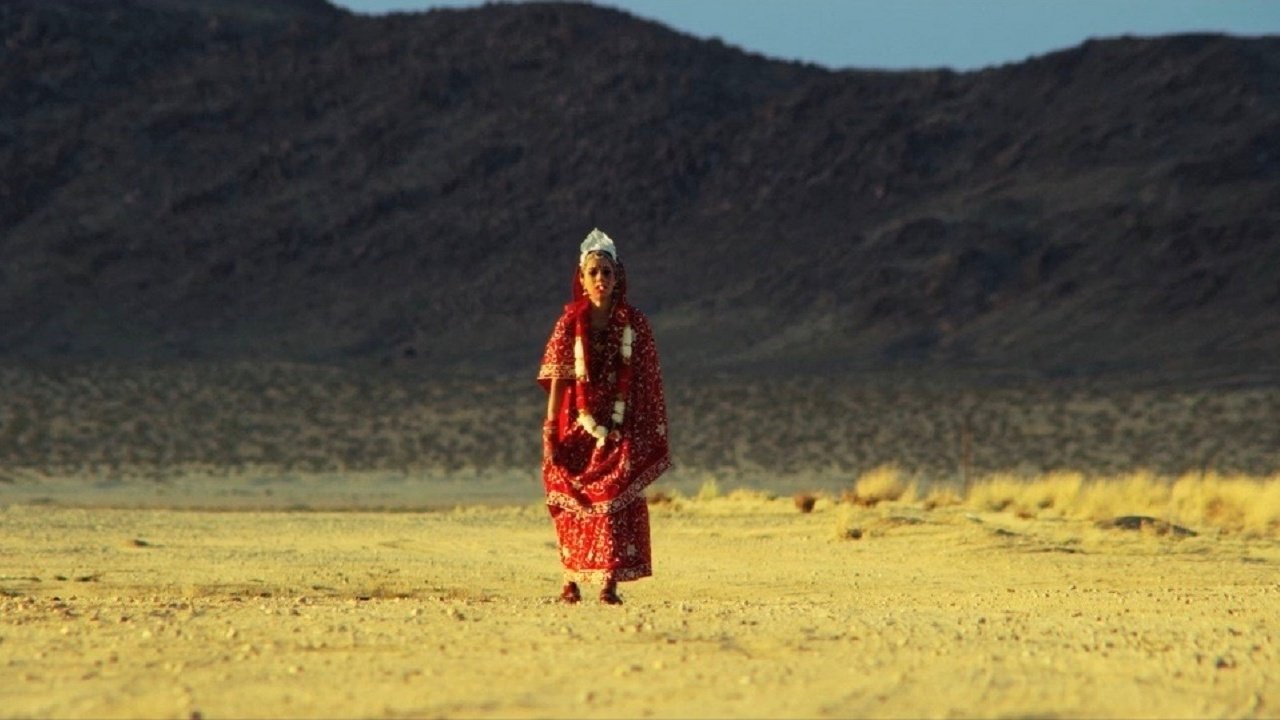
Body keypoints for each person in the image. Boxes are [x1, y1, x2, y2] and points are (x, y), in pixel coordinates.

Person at [537, 228, 671, 605]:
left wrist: (632, 426)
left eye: (607, 272)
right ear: (581, 279)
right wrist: (550, 430)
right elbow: (560, 378)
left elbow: (646, 378)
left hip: (619, 426)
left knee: (611, 499)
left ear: (618, 277)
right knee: (571, 500)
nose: (601, 279)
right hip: (575, 424)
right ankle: (570, 577)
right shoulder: (568, 324)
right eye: (593, 272)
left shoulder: (635, 325)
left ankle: (607, 581)